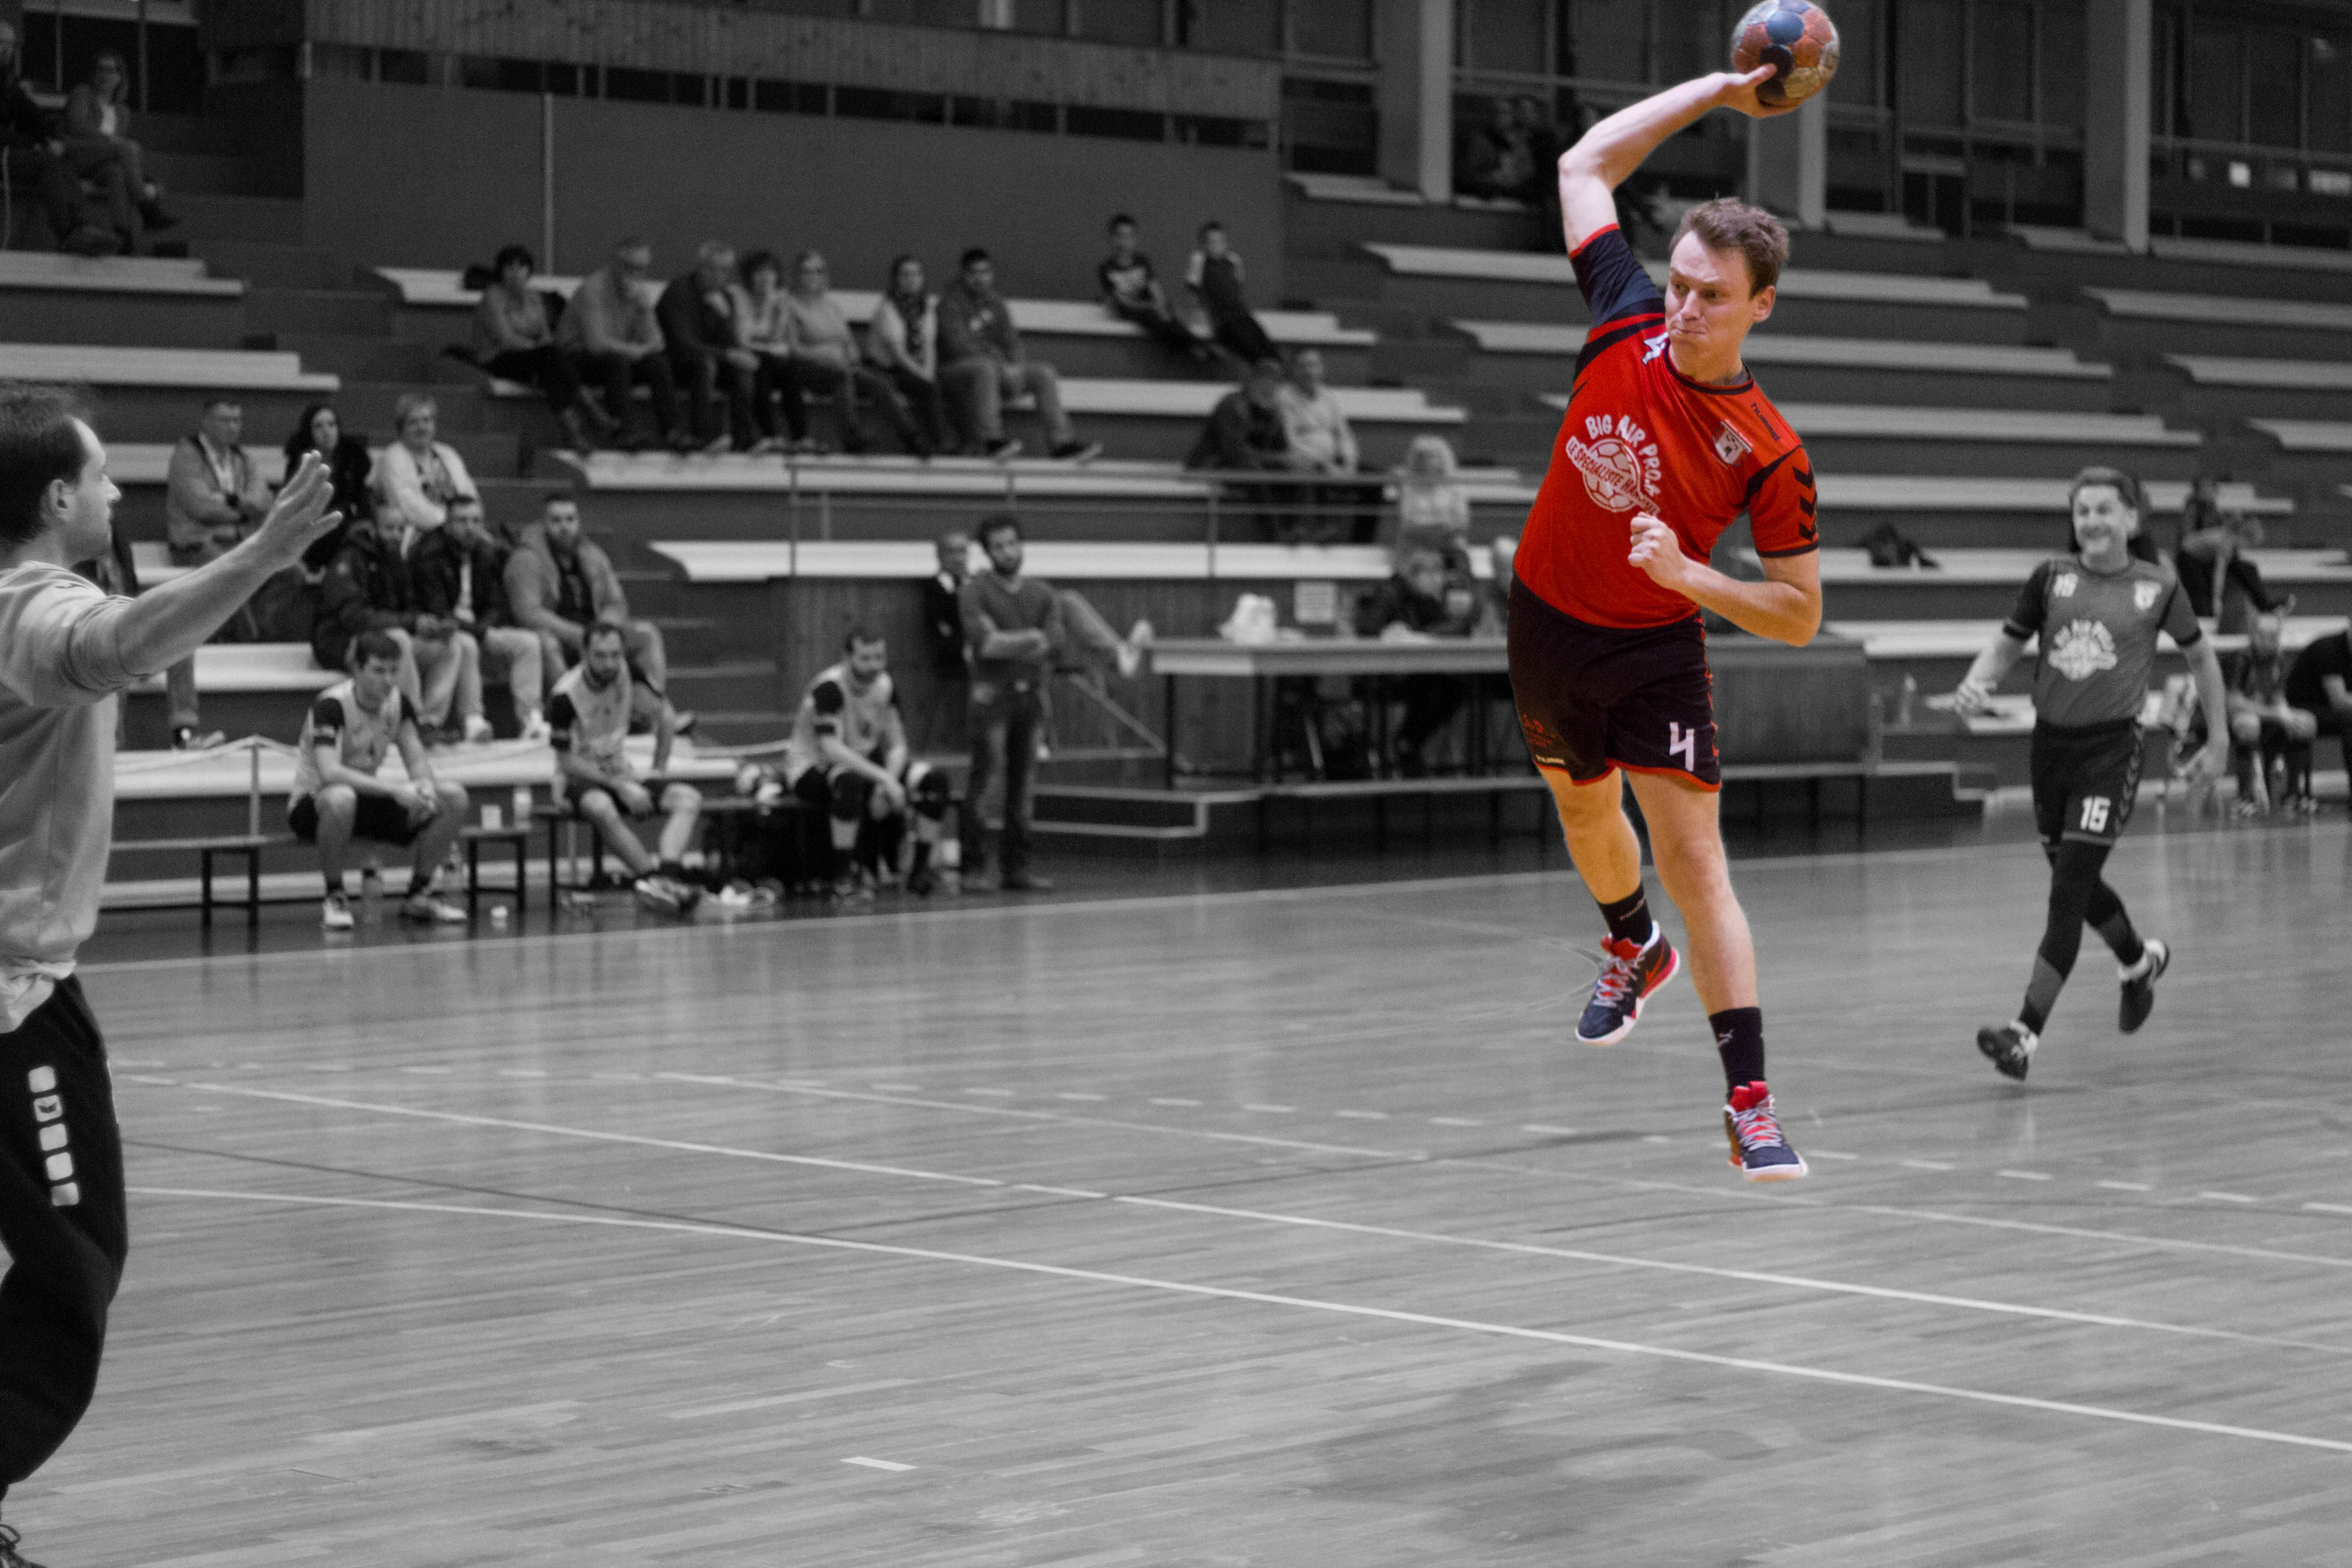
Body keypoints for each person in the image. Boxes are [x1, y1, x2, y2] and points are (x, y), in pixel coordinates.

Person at [0, 389, 338, 1568]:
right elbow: (115, 646)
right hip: (11, 1002)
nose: (113, 492)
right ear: (57, 498)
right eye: (100, 476)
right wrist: (263, 554)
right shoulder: (34, 605)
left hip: (37, 983)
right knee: (71, 1271)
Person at [1511, 69, 1828, 1182]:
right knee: (1580, 806)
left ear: (1760, 306)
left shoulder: (1771, 452)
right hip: (1545, 620)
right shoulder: (1623, 320)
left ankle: (1750, 1105)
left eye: (1711, 295)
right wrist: (1725, 92)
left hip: (1654, 647)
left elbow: (1799, 615)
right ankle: (1629, 944)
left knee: (1698, 865)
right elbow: (1582, 164)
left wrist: (1694, 575)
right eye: (1680, 283)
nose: (1684, 307)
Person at [1956, 467, 2229, 1078]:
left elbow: (2203, 660)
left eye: (2105, 510)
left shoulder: (2158, 587)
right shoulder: (2051, 578)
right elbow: (2006, 645)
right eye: (2083, 512)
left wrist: (2219, 742)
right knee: (2074, 879)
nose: (2093, 522)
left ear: (2132, 519)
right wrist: (1977, 682)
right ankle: (2139, 962)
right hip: (2051, 751)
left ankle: (2024, 1033)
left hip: (2112, 753)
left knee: (2068, 889)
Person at [287, 627, 472, 931]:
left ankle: (419, 895)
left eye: (394, 671)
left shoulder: (398, 703)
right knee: (342, 797)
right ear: (357, 670)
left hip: (367, 801)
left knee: (453, 796)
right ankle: (335, 897)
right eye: (378, 671)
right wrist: (395, 791)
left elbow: (416, 759)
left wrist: (424, 788)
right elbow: (331, 773)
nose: (388, 680)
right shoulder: (331, 706)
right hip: (315, 804)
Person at [770, 627, 955, 898]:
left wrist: (886, 783)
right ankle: (844, 877)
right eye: (865, 658)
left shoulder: (885, 685)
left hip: (863, 766)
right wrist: (884, 779)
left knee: (934, 781)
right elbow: (832, 749)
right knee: (849, 782)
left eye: (879, 658)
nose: (873, 665)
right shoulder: (829, 688)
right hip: (812, 767)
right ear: (847, 658)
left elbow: (898, 745)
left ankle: (919, 872)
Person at [547, 621, 702, 915]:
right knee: (601, 806)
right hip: (579, 780)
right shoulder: (565, 696)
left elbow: (666, 717)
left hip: (622, 773)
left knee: (688, 798)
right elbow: (566, 761)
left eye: (615, 655)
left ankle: (668, 877)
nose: (609, 664)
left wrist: (658, 771)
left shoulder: (631, 674)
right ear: (584, 654)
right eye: (600, 656)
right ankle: (651, 880)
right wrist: (620, 786)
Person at [505, 493, 685, 728]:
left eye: (570, 519)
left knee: (647, 635)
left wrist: (604, 629)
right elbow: (528, 613)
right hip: (558, 635)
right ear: (543, 523)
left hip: (595, 632)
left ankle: (652, 714)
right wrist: (577, 634)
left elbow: (616, 602)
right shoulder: (526, 558)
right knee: (546, 643)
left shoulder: (592, 554)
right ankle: (577, 718)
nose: (564, 527)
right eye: (556, 520)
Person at [312, 510, 491, 744]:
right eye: (390, 529)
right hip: (340, 642)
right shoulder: (349, 558)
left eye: (401, 529)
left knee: (449, 647)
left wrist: (431, 625)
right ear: (373, 529)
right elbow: (354, 618)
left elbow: (411, 607)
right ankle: (410, 721)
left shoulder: (398, 561)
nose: (396, 535)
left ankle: (430, 722)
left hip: (383, 638)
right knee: (398, 640)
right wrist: (412, 623)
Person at [162, 397, 274, 751]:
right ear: (206, 422)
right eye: (226, 420)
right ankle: (246, 636)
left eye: (238, 420)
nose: (233, 427)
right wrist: (242, 508)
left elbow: (264, 501)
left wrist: (231, 503)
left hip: (238, 541)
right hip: (195, 543)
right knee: (231, 569)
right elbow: (198, 505)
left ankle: (246, 631)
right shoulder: (187, 455)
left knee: (292, 572)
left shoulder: (243, 458)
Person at [959, 513, 1060, 892]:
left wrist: (1013, 642)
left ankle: (1016, 868)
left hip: (1030, 696)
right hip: (991, 699)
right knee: (987, 779)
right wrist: (1031, 638)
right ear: (987, 552)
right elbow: (987, 645)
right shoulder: (974, 592)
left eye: (1012, 544)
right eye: (998, 546)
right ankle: (973, 868)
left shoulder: (1043, 593)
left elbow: (1054, 645)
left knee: (1024, 785)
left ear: (1022, 545)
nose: (1007, 552)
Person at [938, 247, 1102, 462]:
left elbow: (1012, 342)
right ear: (964, 275)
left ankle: (1062, 444)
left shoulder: (996, 303)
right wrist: (999, 362)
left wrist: (1015, 365)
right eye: (974, 273)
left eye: (985, 272)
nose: (980, 279)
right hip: (955, 372)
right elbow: (957, 347)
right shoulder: (949, 304)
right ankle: (991, 441)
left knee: (1044, 373)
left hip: (996, 370)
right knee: (985, 368)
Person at [415, 495, 550, 742]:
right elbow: (437, 609)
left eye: (476, 521)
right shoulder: (429, 554)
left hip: (480, 628)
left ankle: (531, 718)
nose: (470, 528)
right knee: (466, 643)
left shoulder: (486, 553)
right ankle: (473, 720)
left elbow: (495, 604)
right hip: (445, 632)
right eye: (462, 521)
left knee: (529, 642)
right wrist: (479, 632)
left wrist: (483, 629)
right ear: (448, 524)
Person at [781, 250, 930, 457]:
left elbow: (848, 341)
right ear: (797, 275)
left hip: (844, 366)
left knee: (879, 382)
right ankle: (852, 438)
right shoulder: (789, 305)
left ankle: (911, 437)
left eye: (819, 271)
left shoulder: (831, 306)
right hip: (809, 368)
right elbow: (792, 349)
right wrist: (825, 354)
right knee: (842, 377)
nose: (814, 276)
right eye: (807, 271)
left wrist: (851, 356)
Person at [1353, 544, 1481, 776]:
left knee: (1457, 685)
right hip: (1385, 675)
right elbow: (1369, 630)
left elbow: (1459, 627)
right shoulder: (1389, 593)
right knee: (1434, 689)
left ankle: (1409, 743)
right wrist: (1389, 634)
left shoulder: (1430, 600)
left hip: (1421, 672)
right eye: (1432, 575)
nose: (1438, 581)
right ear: (1415, 576)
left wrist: (1421, 636)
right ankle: (1406, 746)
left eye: (1440, 575)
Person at [556, 237, 689, 452]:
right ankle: (625, 433)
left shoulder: (639, 294)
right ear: (617, 265)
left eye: (642, 269)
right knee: (617, 363)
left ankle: (674, 432)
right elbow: (597, 345)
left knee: (658, 364)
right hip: (576, 359)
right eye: (631, 267)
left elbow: (658, 343)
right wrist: (636, 350)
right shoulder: (594, 289)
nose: (636, 274)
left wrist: (645, 310)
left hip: (618, 357)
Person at [472, 243, 607, 451]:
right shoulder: (492, 297)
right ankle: (590, 408)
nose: (516, 273)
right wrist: (538, 348)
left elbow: (545, 334)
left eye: (522, 267)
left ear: (529, 271)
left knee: (549, 370)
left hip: (534, 358)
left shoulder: (534, 297)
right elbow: (506, 339)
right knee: (549, 356)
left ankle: (574, 434)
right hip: (499, 358)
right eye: (510, 267)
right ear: (501, 271)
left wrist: (541, 349)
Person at [0, 20, 118, 256]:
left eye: (11, 45)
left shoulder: (7, 82)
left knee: (64, 162)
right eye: (1, 43)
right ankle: (68, 234)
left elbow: (30, 115)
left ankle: (82, 227)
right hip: (4, 152)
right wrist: (34, 144)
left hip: (8, 150)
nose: (7, 50)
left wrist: (51, 135)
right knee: (47, 162)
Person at [1185, 358, 1306, 540]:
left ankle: (1296, 529)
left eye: (1274, 383)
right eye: (1264, 381)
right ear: (1252, 382)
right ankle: (1276, 534)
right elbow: (1234, 451)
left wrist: (1286, 460)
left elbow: (1281, 449)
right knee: (1254, 473)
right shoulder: (1232, 404)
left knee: (1294, 472)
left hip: (1254, 464)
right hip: (1216, 463)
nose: (1269, 387)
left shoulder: (1275, 412)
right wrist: (1274, 460)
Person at [657, 240, 758, 453]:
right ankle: (703, 436)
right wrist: (728, 355)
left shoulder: (725, 297)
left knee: (742, 370)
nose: (720, 276)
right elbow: (682, 344)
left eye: (726, 271)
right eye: (714, 269)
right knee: (705, 365)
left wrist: (725, 317)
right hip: (676, 364)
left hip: (712, 360)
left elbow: (733, 345)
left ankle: (745, 438)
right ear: (701, 268)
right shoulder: (678, 292)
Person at [61, 50, 174, 240]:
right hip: (79, 154)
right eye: (100, 69)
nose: (105, 75)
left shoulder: (122, 112)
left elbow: (118, 152)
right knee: (126, 147)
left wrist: (117, 145)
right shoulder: (83, 94)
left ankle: (124, 236)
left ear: (120, 77)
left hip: (103, 163)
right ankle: (146, 206)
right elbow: (76, 125)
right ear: (93, 73)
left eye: (111, 71)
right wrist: (112, 141)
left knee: (117, 173)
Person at [2222, 611, 2314, 816]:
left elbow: (2278, 696)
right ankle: (2246, 795)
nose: (2269, 641)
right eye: (2263, 635)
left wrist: (2288, 716)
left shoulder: (2279, 659)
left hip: (2264, 713)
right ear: (2253, 635)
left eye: (2274, 636)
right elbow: (2235, 704)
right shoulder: (2240, 659)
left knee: (2304, 723)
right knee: (2249, 725)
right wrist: (2276, 715)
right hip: (2231, 716)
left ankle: (2294, 794)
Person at [867, 255, 951, 458]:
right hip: (889, 369)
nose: (911, 279)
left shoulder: (926, 308)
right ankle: (937, 444)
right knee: (928, 388)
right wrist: (924, 378)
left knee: (943, 385)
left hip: (917, 367)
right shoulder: (887, 310)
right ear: (896, 279)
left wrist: (928, 374)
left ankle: (965, 443)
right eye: (905, 275)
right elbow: (898, 355)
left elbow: (929, 346)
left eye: (916, 274)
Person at [2173, 490, 2292, 632]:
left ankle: (2264, 604)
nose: (2247, 548)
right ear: (2243, 537)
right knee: (2200, 589)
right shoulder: (2226, 544)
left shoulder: (2229, 540)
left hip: (2203, 557)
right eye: (2249, 544)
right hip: (2189, 557)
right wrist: (2217, 602)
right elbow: (2219, 574)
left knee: (2248, 568)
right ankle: (2204, 614)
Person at [1279, 348, 1362, 544]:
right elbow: (1290, 440)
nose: (1308, 371)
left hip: (1334, 460)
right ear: (1294, 371)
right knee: (1311, 471)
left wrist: (1350, 462)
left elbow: (1343, 433)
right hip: (1305, 459)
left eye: (1313, 366)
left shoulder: (1330, 397)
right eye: (1303, 366)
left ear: (1321, 369)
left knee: (1373, 481)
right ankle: (1314, 529)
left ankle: (1361, 539)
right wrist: (1325, 464)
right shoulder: (1285, 396)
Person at [1098, 214, 1209, 362]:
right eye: (1120, 236)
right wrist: (1150, 306)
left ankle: (1197, 345)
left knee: (1169, 314)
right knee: (1153, 318)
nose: (1124, 242)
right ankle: (1193, 348)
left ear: (1135, 239)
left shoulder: (1142, 262)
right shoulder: (1106, 268)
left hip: (1150, 306)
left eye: (1130, 237)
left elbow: (1154, 288)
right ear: (1112, 239)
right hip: (1131, 309)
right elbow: (1120, 301)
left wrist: (1161, 304)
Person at [281, 402, 373, 570]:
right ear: (309, 433)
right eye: (319, 426)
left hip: (345, 529)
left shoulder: (351, 460)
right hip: (310, 531)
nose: (327, 431)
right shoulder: (301, 464)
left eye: (332, 424)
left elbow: (361, 501)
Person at [371, 393, 477, 534]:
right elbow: (408, 506)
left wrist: (468, 521)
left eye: (427, 420)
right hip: (417, 534)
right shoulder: (393, 457)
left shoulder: (448, 453)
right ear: (401, 427)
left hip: (460, 529)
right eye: (413, 422)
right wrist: (452, 523)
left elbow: (469, 494)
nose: (421, 427)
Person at [1185, 222, 1278, 366]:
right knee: (1253, 352)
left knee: (1267, 346)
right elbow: (1193, 290)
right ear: (1204, 245)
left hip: (1241, 315)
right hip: (1222, 320)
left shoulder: (1233, 261)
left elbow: (1238, 287)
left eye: (1221, 241)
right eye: (1212, 242)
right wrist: (1198, 316)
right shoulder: (1200, 261)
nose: (1217, 246)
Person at [2284, 621, 2352, 800]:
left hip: (2334, 711)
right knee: (2350, 719)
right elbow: (2340, 701)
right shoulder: (2329, 650)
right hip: (2305, 706)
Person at [1394, 433, 1472, 565]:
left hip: (1448, 541)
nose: (1428, 461)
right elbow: (1407, 522)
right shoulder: (1408, 487)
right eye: (1423, 457)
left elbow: (1462, 522)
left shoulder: (1455, 486)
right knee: (1417, 556)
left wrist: (1435, 530)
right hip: (1416, 543)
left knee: (1458, 549)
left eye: (1433, 456)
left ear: (1443, 458)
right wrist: (1436, 527)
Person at [1458, 97, 1534, 203]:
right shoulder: (1480, 141)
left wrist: (1515, 178)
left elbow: (1528, 172)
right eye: (1497, 113)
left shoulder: (1519, 142)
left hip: (1516, 197)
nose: (1500, 117)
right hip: (1486, 197)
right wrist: (1491, 178)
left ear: (1512, 117)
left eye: (1505, 113)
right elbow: (1469, 173)